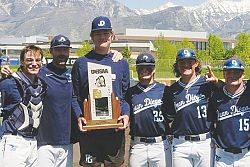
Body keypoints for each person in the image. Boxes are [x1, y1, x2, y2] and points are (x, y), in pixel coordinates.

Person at [72, 16, 130, 167]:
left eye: (105, 33)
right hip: (90, 132)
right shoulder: (81, 63)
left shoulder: (121, 63)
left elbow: (125, 96)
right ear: (91, 37)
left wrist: (125, 114)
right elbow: (75, 95)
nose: (102, 37)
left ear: (112, 36)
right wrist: (79, 116)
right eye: (97, 33)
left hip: (114, 131)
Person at [162, 48, 220, 167]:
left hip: (205, 142)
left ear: (196, 63)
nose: (186, 65)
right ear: (177, 65)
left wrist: (217, 82)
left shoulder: (207, 83)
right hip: (181, 143)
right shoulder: (172, 90)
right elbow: (168, 116)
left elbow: (228, 94)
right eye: (182, 62)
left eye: (190, 61)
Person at [0, 45, 47, 167]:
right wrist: (2, 77)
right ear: (22, 62)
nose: (34, 64)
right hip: (13, 141)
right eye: (29, 60)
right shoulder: (10, 82)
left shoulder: (41, 85)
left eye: (37, 60)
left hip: (32, 142)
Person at [126, 52, 173, 167]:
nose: (144, 70)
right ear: (136, 69)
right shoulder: (130, 92)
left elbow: (173, 115)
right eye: (141, 67)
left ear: (154, 69)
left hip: (160, 144)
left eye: (148, 67)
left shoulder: (165, 90)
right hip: (138, 145)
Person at [207, 58, 250, 167]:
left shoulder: (248, 93)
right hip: (223, 155)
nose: (232, 75)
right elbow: (211, 122)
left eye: (236, 72)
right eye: (229, 72)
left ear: (243, 74)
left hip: (246, 155)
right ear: (224, 74)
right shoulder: (215, 96)